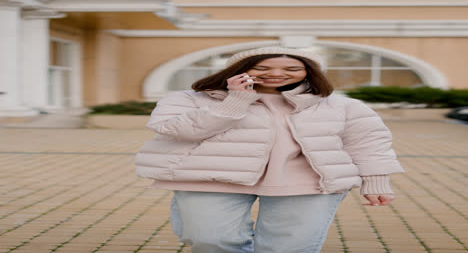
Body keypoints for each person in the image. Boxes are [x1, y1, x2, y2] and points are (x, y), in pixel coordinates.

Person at [135, 46, 405, 253]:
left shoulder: (342, 105)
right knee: (211, 241)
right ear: (239, 69)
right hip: (211, 178)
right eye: (262, 67)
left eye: (291, 68)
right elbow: (175, 129)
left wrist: (376, 181)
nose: (276, 74)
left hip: (307, 182)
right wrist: (235, 102)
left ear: (309, 72)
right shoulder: (188, 99)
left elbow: (368, 142)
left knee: (289, 248)